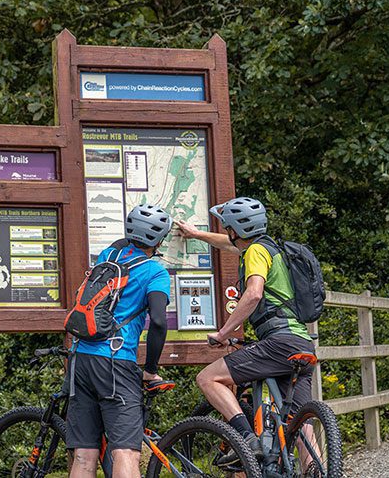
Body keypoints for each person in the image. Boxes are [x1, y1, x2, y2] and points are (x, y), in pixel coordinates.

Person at [176, 197, 315, 464]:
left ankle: (247, 440)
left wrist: (223, 333)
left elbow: (253, 294)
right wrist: (196, 234)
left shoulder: (254, 253)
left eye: (228, 226)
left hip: (278, 342)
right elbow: (227, 243)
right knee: (300, 428)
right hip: (302, 343)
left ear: (236, 229)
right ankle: (318, 471)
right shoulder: (272, 249)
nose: (226, 231)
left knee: (208, 378)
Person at [66, 204, 172, 478]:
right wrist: (150, 369)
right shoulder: (155, 272)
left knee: (84, 455)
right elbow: (159, 321)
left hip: (80, 357)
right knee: (125, 452)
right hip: (116, 360)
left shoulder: (107, 256)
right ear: (159, 241)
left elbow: (121, 244)